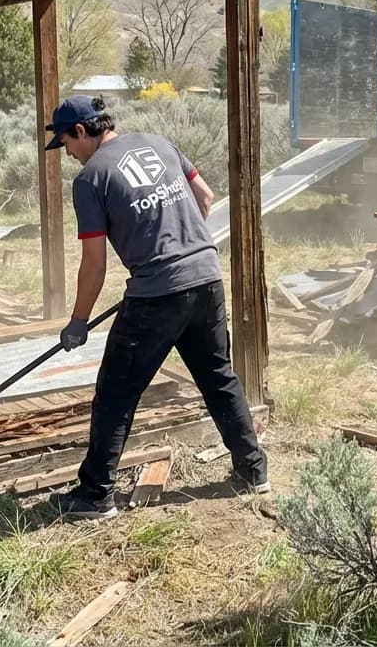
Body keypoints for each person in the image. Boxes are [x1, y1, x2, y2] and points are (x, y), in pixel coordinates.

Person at [42, 95, 269, 520]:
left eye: (66, 144)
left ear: (80, 132)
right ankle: (253, 471)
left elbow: (94, 263)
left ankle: (94, 496)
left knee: (115, 393)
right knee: (218, 375)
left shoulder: (91, 179)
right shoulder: (158, 142)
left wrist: (78, 322)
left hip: (157, 296)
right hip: (206, 278)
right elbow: (205, 196)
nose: (67, 154)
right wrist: (181, 243)